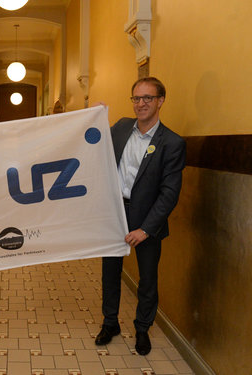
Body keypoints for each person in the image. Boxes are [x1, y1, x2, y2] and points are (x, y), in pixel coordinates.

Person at [95, 77, 186, 355]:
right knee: (110, 273)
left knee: (147, 279)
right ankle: (110, 322)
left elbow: (169, 194)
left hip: (148, 221)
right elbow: (94, 142)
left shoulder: (171, 142)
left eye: (148, 98)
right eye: (136, 98)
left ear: (160, 101)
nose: (141, 104)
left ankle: (142, 329)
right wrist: (94, 118)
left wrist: (145, 229)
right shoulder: (121, 127)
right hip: (115, 212)